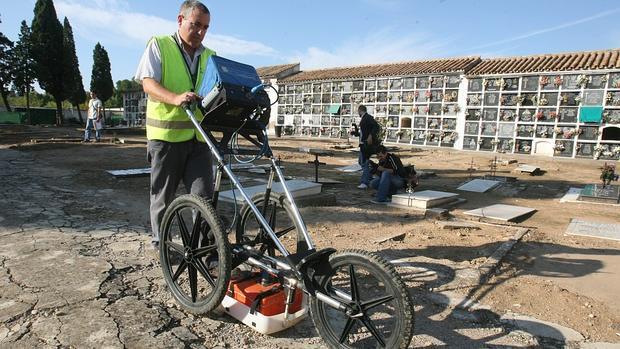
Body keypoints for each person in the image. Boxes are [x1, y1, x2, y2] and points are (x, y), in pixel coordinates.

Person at [134, 0, 215, 250]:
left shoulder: (210, 56)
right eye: (196, 25)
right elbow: (147, 82)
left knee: (204, 199)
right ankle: (163, 246)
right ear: (180, 20)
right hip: (166, 138)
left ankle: (208, 253)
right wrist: (175, 98)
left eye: (205, 27)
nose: (200, 32)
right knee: (163, 198)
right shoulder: (159, 45)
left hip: (198, 139)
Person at [350, 105, 378, 189]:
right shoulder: (364, 118)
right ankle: (369, 178)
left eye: (357, 111)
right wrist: (356, 133)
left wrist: (370, 136)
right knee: (361, 162)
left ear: (360, 110)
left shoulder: (368, 117)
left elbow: (376, 127)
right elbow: (364, 132)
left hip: (366, 144)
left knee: (364, 163)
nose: (357, 113)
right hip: (363, 143)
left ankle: (365, 182)